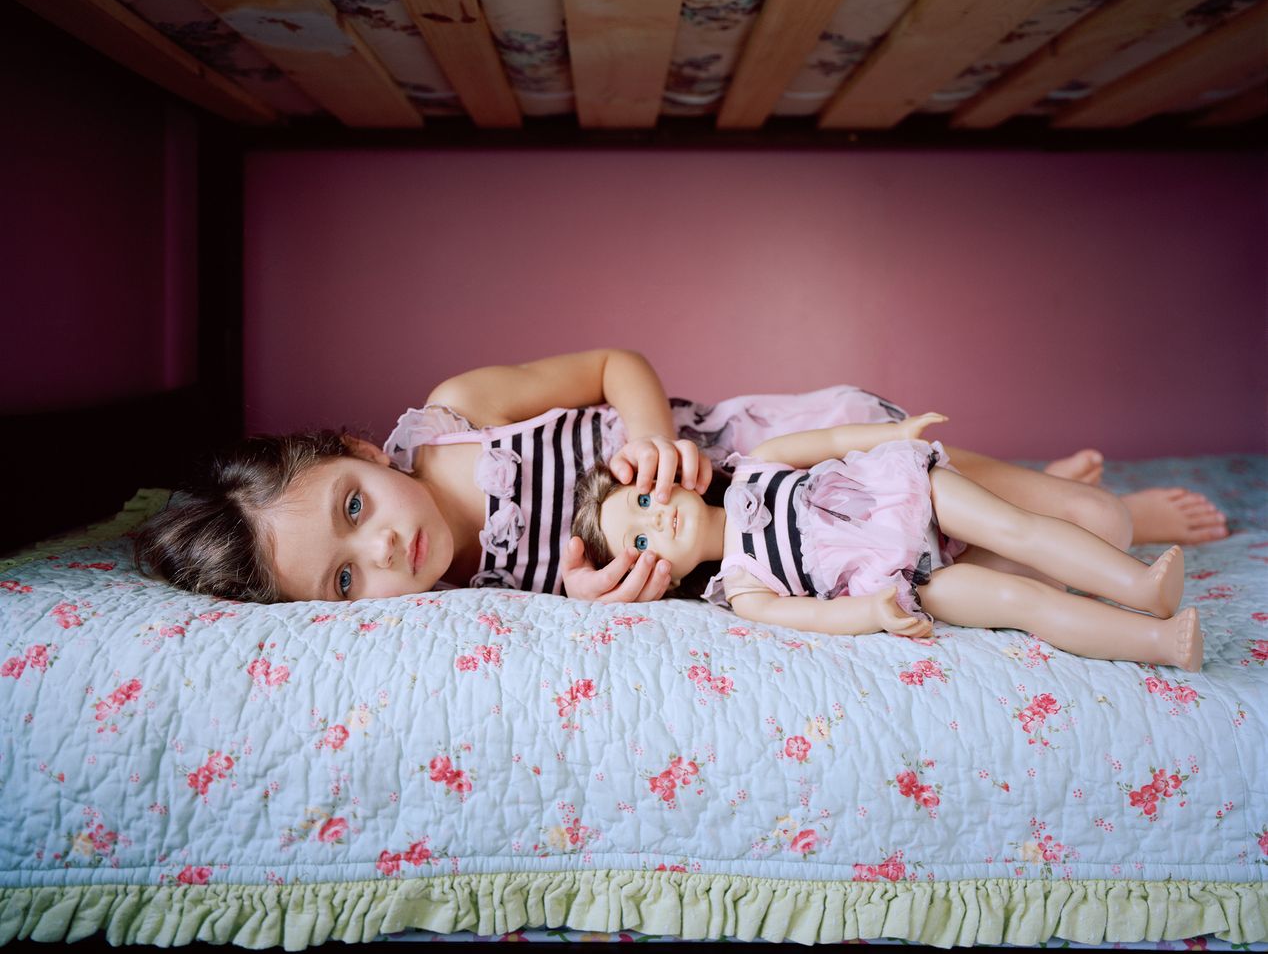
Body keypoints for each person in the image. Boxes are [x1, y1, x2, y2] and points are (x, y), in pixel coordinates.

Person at [134, 348, 1227, 605]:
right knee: (942, 558)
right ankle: (1045, 488)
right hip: (767, 541)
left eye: (353, 507)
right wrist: (616, 588)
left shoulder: (454, 414)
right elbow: (621, 574)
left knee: (1085, 519)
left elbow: (616, 363)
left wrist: (653, 436)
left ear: (365, 455)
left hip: (760, 457)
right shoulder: (466, 593)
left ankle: (1096, 492)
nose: (380, 550)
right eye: (341, 581)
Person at [570, 413, 1204, 671]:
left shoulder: (755, 463)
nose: (660, 519)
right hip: (914, 578)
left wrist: (893, 429)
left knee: (1021, 528)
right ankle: (1158, 642)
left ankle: (1139, 586)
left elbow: (825, 444)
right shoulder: (742, 586)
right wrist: (871, 612)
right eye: (642, 537)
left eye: (646, 501)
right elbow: (812, 614)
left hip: (909, 494)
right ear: (660, 577)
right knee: (1017, 602)